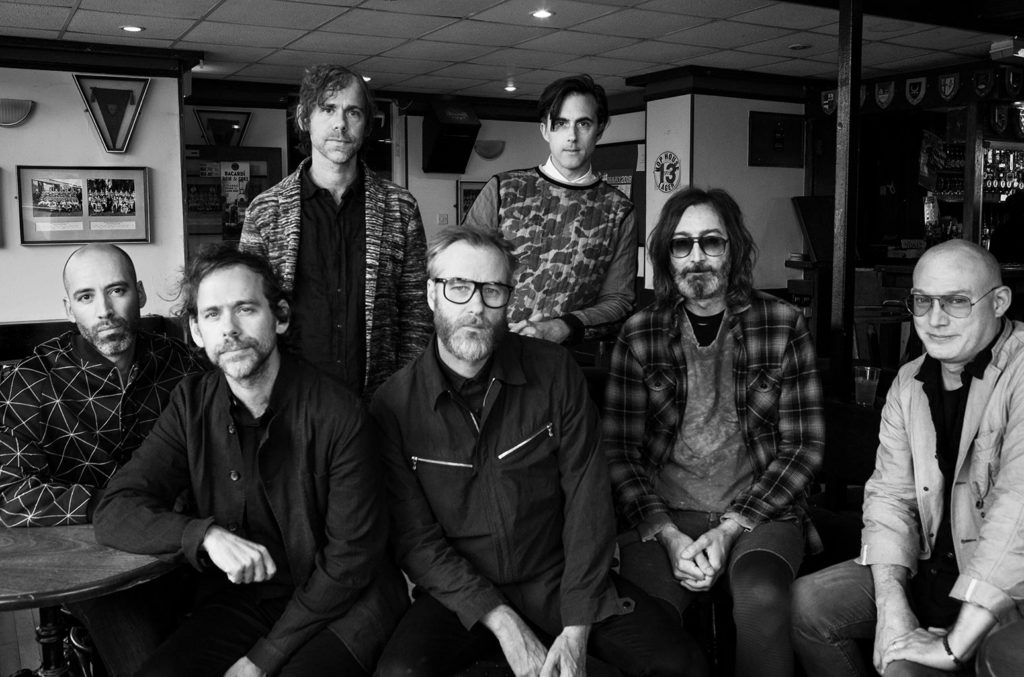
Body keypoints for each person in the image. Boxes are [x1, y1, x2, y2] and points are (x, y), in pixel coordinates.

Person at [371, 225, 705, 677]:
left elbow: (588, 502)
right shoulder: (394, 406)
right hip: (462, 591)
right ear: (432, 295)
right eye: (458, 287)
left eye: (492, 290)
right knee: (399, 674)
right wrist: (503, 622)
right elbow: (416, 541)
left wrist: (577, 627)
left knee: (680, 664)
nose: (476, 307)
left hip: (558, 576)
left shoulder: (554, 373)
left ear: (508, 299)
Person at [93, 245, 407, 677]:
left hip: (343, 606)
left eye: (245, 309)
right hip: (244, 603)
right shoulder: (190, 405)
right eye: (213, 315)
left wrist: (262, 659)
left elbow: (350, 560)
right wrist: (205, 536)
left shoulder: (340, 413)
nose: (229, 329)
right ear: (196, 331)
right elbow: (115, 509)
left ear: (280, 317)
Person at [603, 187, 824, 677]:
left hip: (762, 514)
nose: (696, 256)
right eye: (682, 244)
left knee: (761, 598)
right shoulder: (639, 333)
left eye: (712, 241)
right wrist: (665, 533)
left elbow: (804, 448)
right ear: (667, 256)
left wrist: (730, 528)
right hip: (663, 513)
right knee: (645, 624)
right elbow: (618, 452)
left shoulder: (783, 324)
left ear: (734, 249)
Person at [792, 240, 1024, 677]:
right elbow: (889, 498)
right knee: (811, 603)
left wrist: (953, 647)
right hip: (929, 569)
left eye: (956, 301)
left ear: (999, 302)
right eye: (923, 301)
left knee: (904, 669)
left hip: (1004, 586)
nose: (935, 319)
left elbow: (1018, 513)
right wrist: (891, 607)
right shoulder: (908, 381)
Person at [0, 243, 205, 676]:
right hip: (93, 567)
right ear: (68, 308)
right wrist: (116, 509)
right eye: (86, 296)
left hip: (183, 547)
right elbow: (12, 497)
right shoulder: (29, 382)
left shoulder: (183, 365)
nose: (105, 310)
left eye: (117, 290)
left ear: (140, 293)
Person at [240, 63, 431, 398]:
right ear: (304, 118)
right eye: (328, 109)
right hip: (292, 399)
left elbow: (416, 310)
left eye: (353, 112)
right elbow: (248, 307)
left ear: (366, 124)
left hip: (379, 400)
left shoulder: (400, 207)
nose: (340, 124)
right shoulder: (266, 210)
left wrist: (404, 392)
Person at [462, 74, 636, 344]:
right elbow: (460, 272)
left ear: (600, 130)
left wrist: (564, 326)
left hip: (564, 358)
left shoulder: (618, 210)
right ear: (545, 130)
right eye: (561, 123)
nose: (572, 136)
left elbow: (619, 301)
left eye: (583, 124)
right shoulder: (503, 189)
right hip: (489, 347)